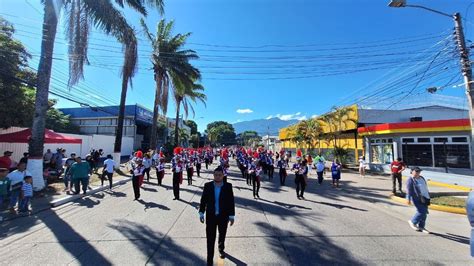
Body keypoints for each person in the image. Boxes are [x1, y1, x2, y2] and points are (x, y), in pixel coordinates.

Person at [199, 166, 235, 266]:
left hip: (223, 216)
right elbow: (203, 200)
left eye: (220, 175)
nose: (218, 177)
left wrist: (232, 215)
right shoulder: (208, 186)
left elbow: (231, 201)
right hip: (211, 217)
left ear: (223, 176)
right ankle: (209, 260)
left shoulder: (228, 186)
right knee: (210, 238)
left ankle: (221, 249)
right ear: (213, 175)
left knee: (222, 234)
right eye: (216, 175)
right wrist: (201, 212)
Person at [406, 167, 430, 234]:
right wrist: (408, 199)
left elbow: (425, 187)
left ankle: (421, 227)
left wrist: (428, 195)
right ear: (412, 172)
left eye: (419, 171)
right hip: (417, 198)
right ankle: (413, 222)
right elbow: (408, 190)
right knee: (421, 211)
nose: (418, 173)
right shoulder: (410, 180)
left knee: (424, 213)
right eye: (416, 171)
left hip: (425, 198)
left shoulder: (422, 178)